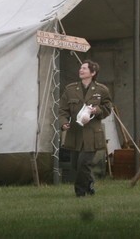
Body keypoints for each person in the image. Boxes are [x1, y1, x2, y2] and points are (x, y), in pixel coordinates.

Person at [58, 60, 113, 197]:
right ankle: (89, 184)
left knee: (84, 163)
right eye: (80, 68)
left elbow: (107, 108)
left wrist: (96, 110)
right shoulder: (70, 89)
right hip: (75, 134)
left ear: (93, 73)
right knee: (76, 166)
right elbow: (62, 110)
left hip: (92, 134)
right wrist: (64, 123)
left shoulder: (102, 90)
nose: (80, 70)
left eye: (84, 68)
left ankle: (80, 193)